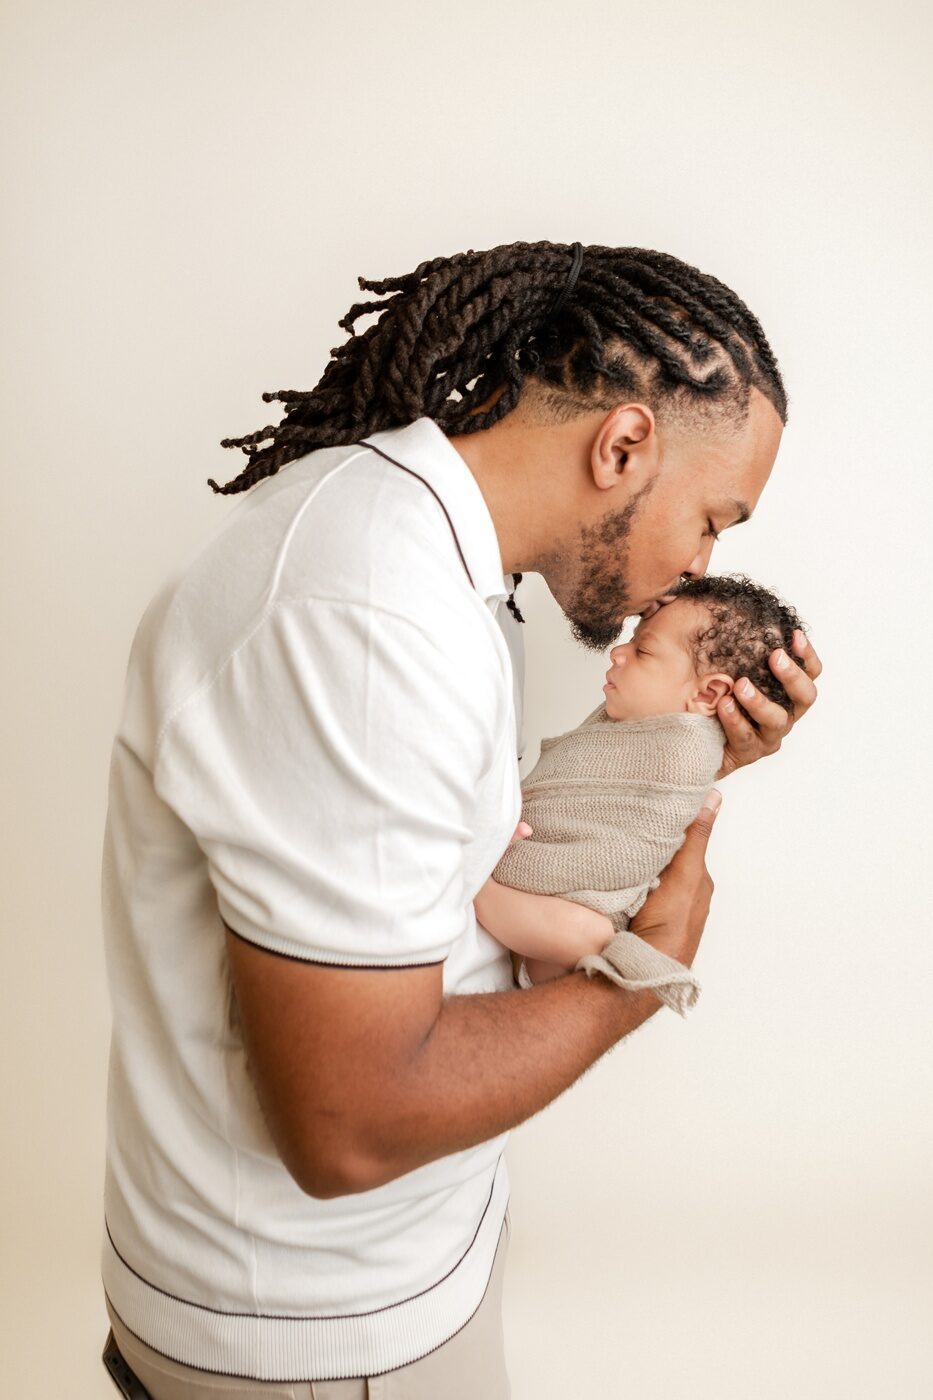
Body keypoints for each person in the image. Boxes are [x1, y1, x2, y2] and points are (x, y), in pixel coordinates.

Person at [99, 240, 821, 1399]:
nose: (699, 568)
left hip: (373, 1278)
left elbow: (431, 857)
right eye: (712, 520)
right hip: (319, 1333)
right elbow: (352, 1122)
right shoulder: (366, 622)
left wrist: (671, 762)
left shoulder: (426, 553)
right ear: (623, 443)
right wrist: (644, 973)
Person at [480, 574, 807, 1005]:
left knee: (591, 934)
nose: (618, 653)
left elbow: (619, 848)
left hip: (583, 908)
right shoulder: (644, 730)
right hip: (531, 917)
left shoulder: (685, 751)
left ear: (710, 694)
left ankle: (476, 884)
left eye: (642, 650)